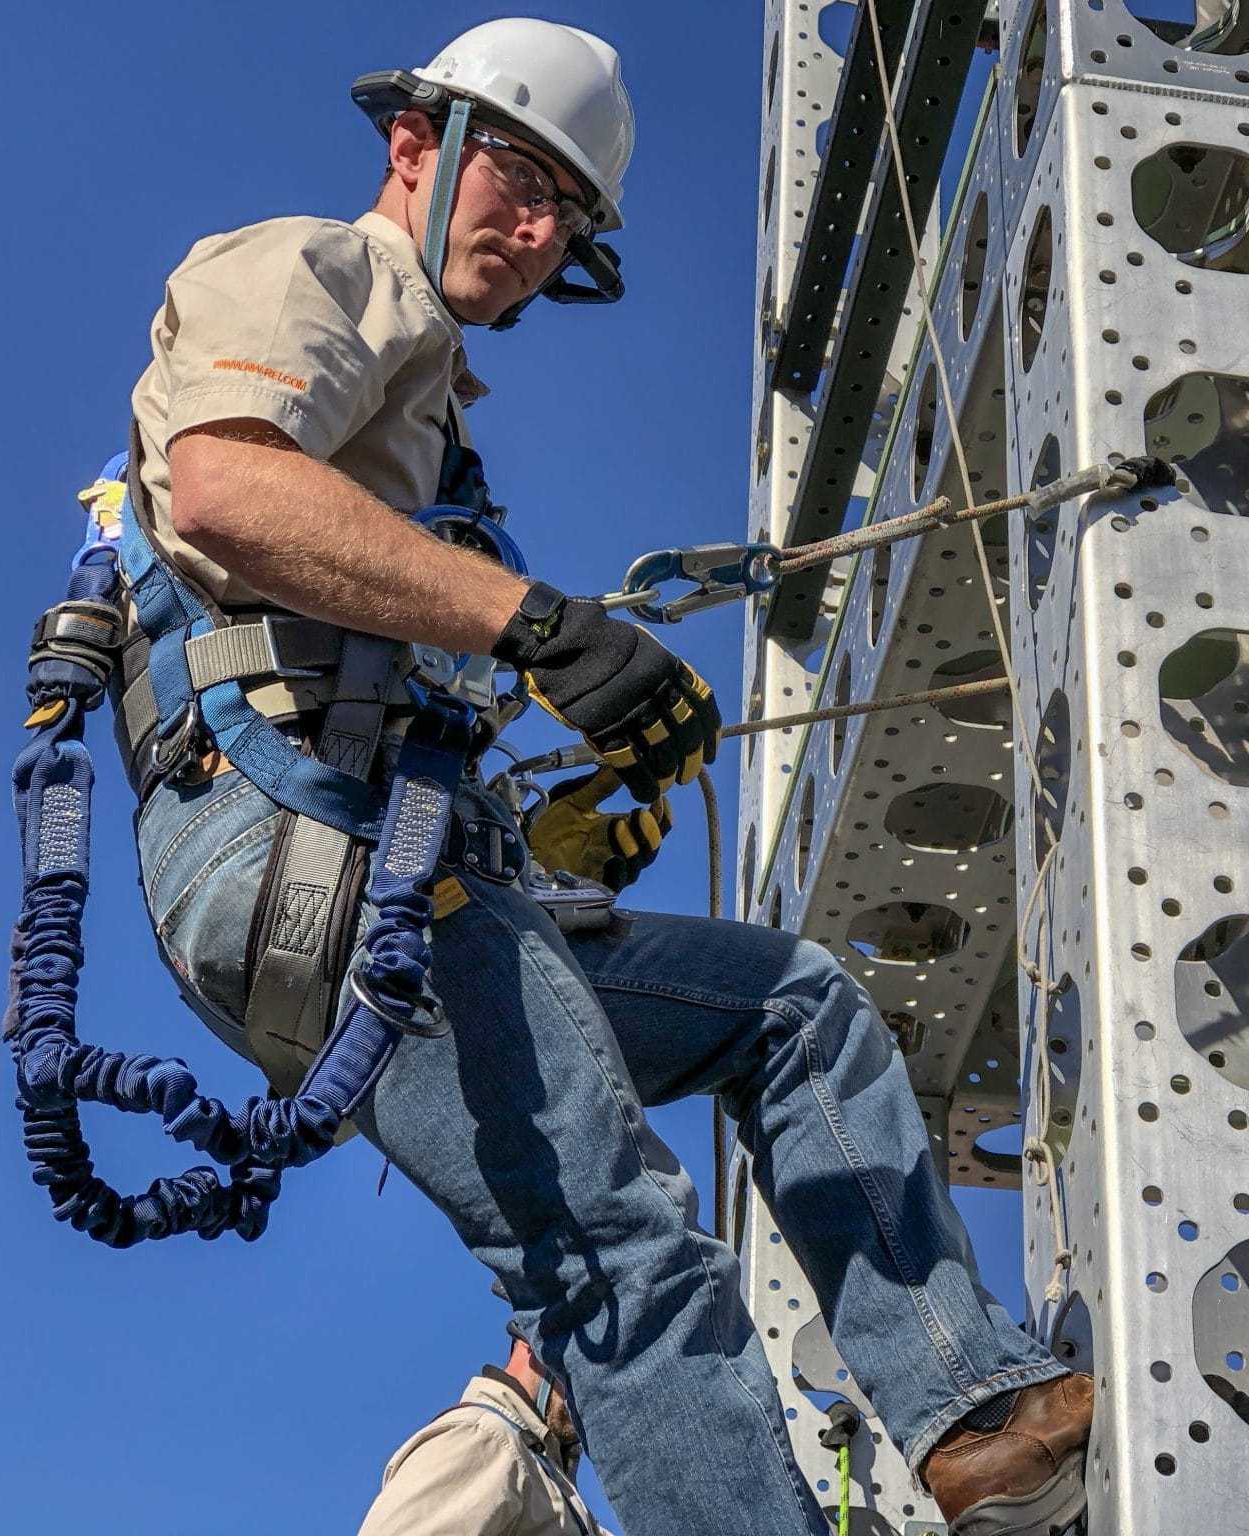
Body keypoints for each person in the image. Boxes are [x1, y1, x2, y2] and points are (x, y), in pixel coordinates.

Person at [122, 18, 1092, 1535]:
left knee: (786, 1007)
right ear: (415, 145)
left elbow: (377, 658)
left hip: (382, 849)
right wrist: (540, 628)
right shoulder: (318, 267)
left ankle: (973, 1411)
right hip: (302, 845)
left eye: (567, 209)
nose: (534, 225)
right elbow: (229, 486)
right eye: (518, 173)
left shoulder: (427, 423)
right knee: (623, 1259)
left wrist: (577, 791)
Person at [358, 1335, 609, 1536]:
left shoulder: (548, 1482)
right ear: (533, 1341)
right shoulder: (484, 1437)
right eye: (592, 1356)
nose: (600, 1381)